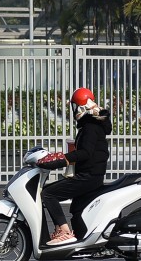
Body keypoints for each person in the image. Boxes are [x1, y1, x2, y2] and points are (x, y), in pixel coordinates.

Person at [36, 87, 112, 246]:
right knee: (77, 212)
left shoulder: (90, 126)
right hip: (92, 176)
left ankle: (63, 231)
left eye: (75, 106)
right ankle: (83, 244)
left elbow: (85, 153)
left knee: (49, 194)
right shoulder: (92, 124)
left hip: (88, 177)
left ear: (81, 106)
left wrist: (61, 160)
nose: (74, 110)